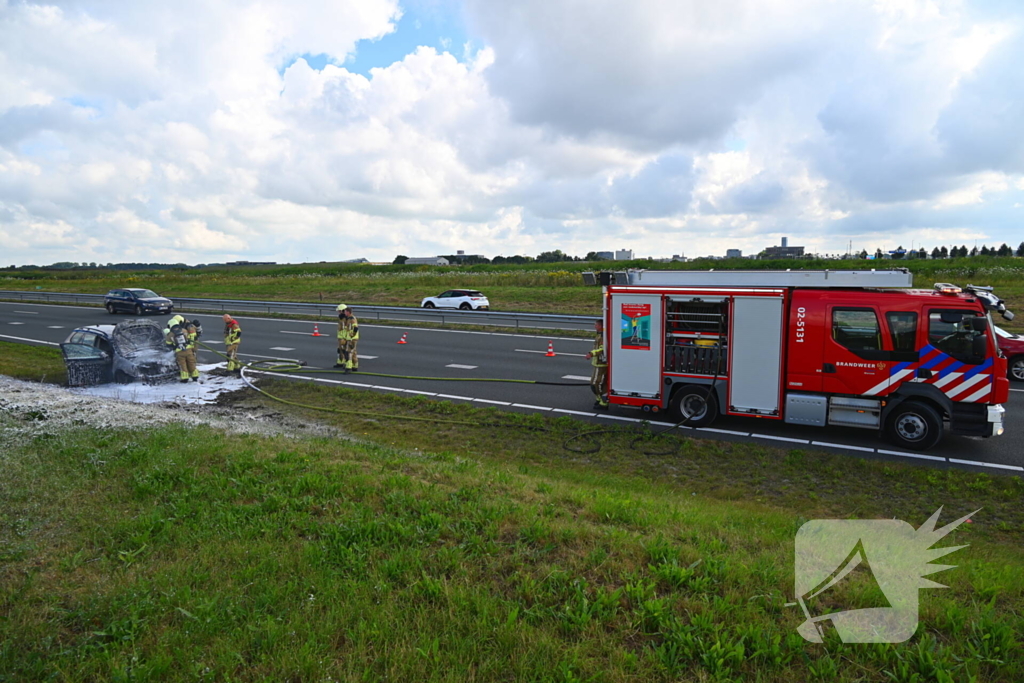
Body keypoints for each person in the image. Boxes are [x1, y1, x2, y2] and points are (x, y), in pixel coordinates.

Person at [585, 320, 609, 410]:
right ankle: (600, 400)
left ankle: (603, 402)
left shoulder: (603, 336)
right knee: (598, 383)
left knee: (595, 383)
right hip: (598, 363)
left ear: (601, 326)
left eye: (596, 325)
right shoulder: (599, 334)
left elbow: (602, 349)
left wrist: (591, 354)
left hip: (601, 364)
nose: (594, 326)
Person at [164, 316, 193, 383]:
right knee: (191, 363)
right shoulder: (184, 330)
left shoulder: (170, 334)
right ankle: (195, 376)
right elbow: (189, 338)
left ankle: (185, 378)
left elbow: (168, 344)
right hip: (188, 350)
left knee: (182, 365)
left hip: (179, 352)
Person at [335, 304, 359, 373]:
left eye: (340, 311)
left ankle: (349, 367)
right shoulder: (345, 318)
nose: (339, 313)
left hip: (350, 338)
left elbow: (354, 328)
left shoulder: (350, 319)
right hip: (346, 337)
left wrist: (350, 336)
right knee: (349, 352)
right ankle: (354, 366)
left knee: (348, 352)